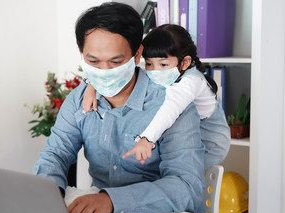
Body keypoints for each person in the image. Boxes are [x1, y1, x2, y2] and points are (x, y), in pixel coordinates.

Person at [33, 2, 205, 213]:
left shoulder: (172, 103)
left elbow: (187, 186)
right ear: (81, 53)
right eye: (93, 62)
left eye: (115, 62)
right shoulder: (79, 99)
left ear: (137, 55)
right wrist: (46, 198)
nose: (103, 71)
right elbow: (56, 153)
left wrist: (112, 201)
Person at [84, 24, 230, 168]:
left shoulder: (191, 81)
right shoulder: (171, 72)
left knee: (156, 172)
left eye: (163, 65)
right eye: (148, 64)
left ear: (184, 62)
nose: (154, 71)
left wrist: (147, 139)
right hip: (183, 136)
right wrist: (92, 86)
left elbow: (171, 108)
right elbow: (124, 74)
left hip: (209, 145)